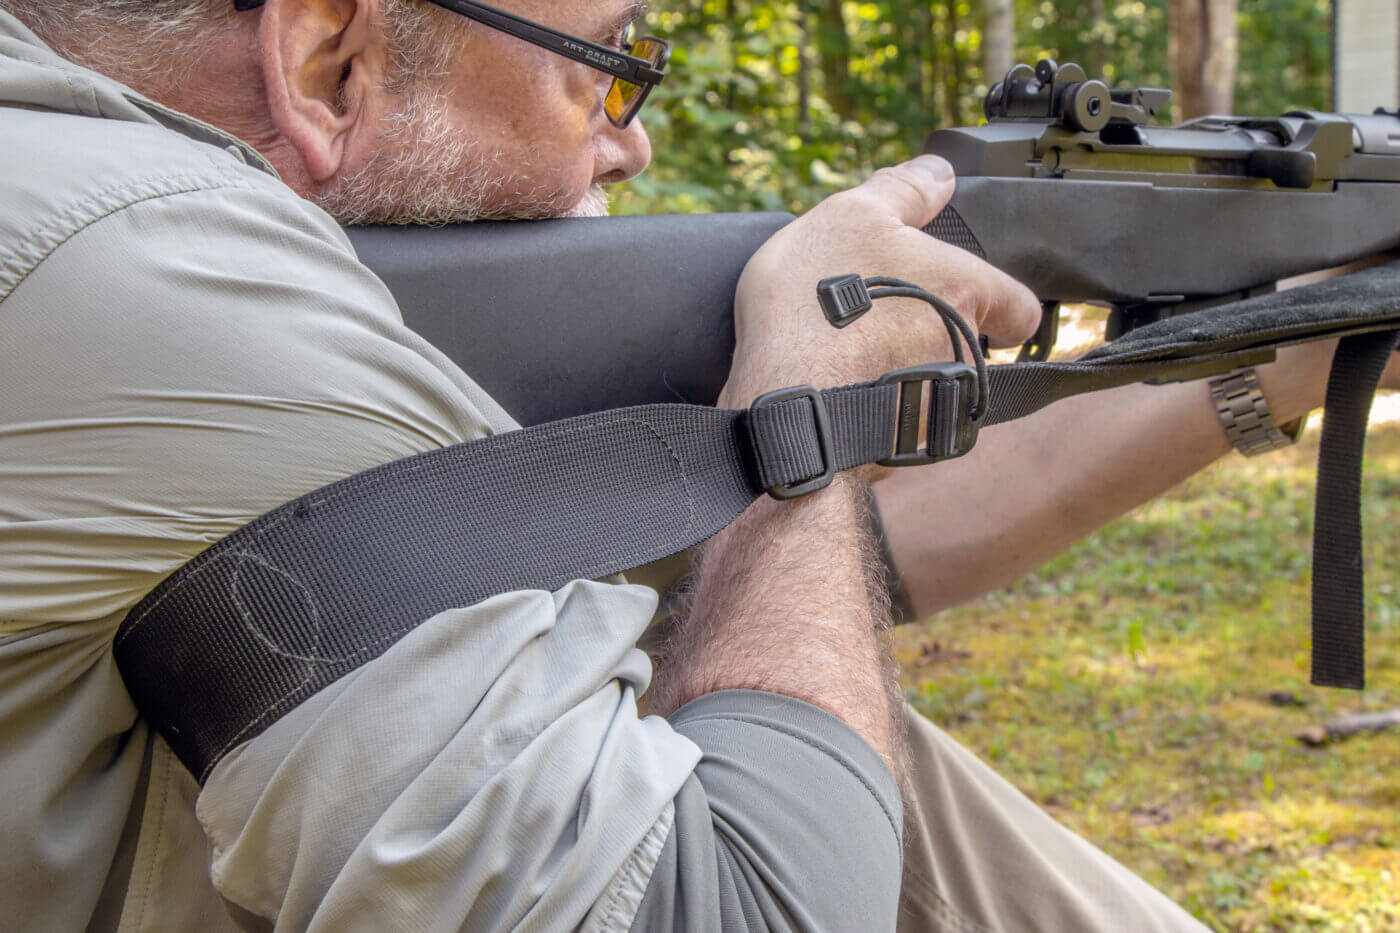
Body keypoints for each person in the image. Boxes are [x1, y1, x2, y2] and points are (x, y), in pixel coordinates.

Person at [0, 0, 1382, 930]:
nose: (634, 134)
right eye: (609, 61)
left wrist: (1298, 350)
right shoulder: (160, 281)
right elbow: (744, 904)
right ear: (329, 64)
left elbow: (819, 583)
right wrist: (807, 414)